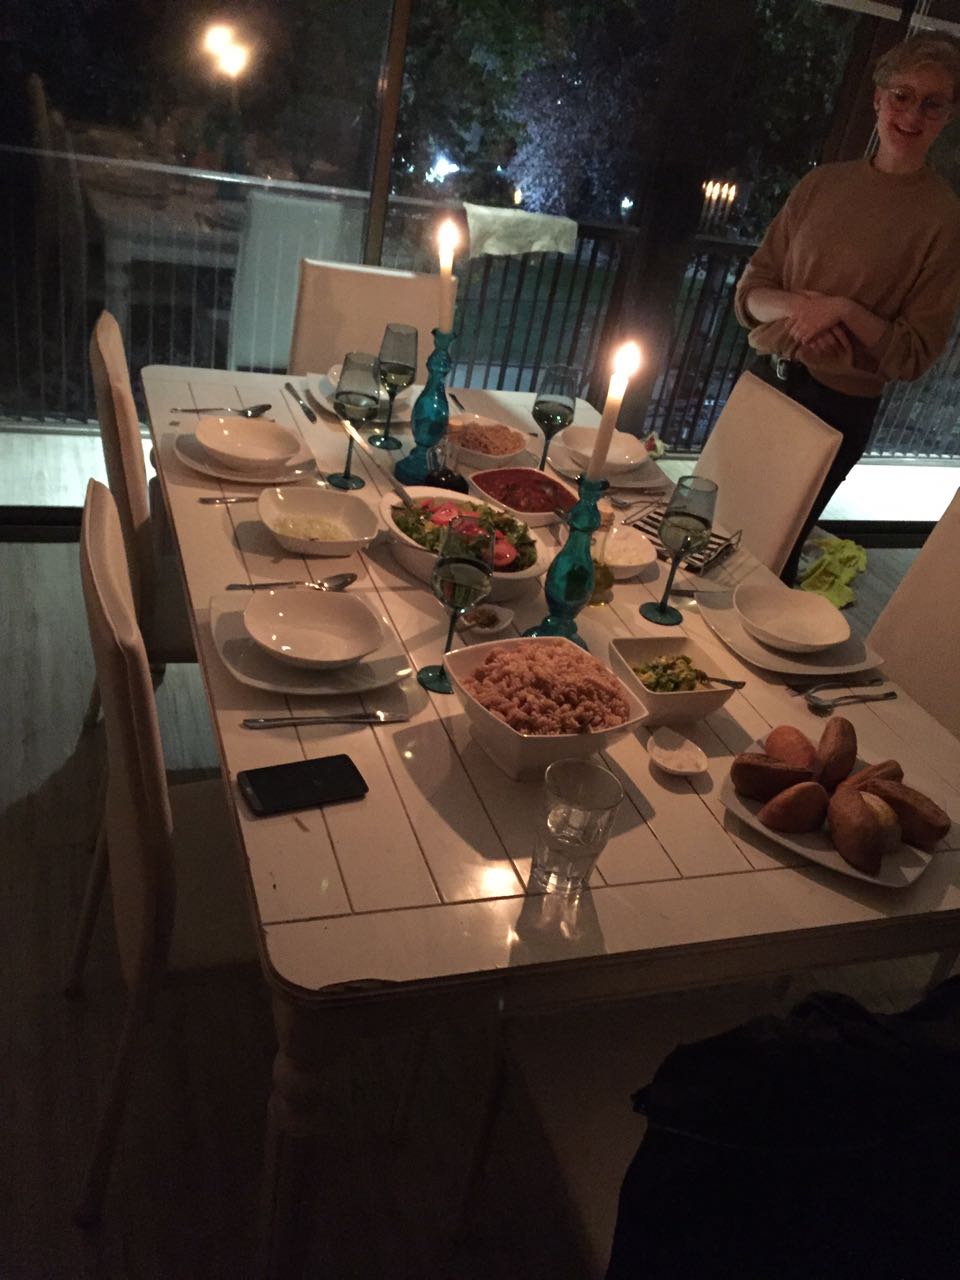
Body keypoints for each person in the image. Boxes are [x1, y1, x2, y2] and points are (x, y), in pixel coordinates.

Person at [735, 33, 960, 585]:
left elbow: (914, 354)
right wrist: (800, 308)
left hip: (835, 408)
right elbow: (750, 296)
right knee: (711, 527)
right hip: (765, 381)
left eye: (932, 103)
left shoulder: (944, 219)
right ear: (879, 99)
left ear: (948, 117)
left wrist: (841, 311)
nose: (913, 114)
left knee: (767, 564)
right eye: (902, 95)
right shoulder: (821, 184)